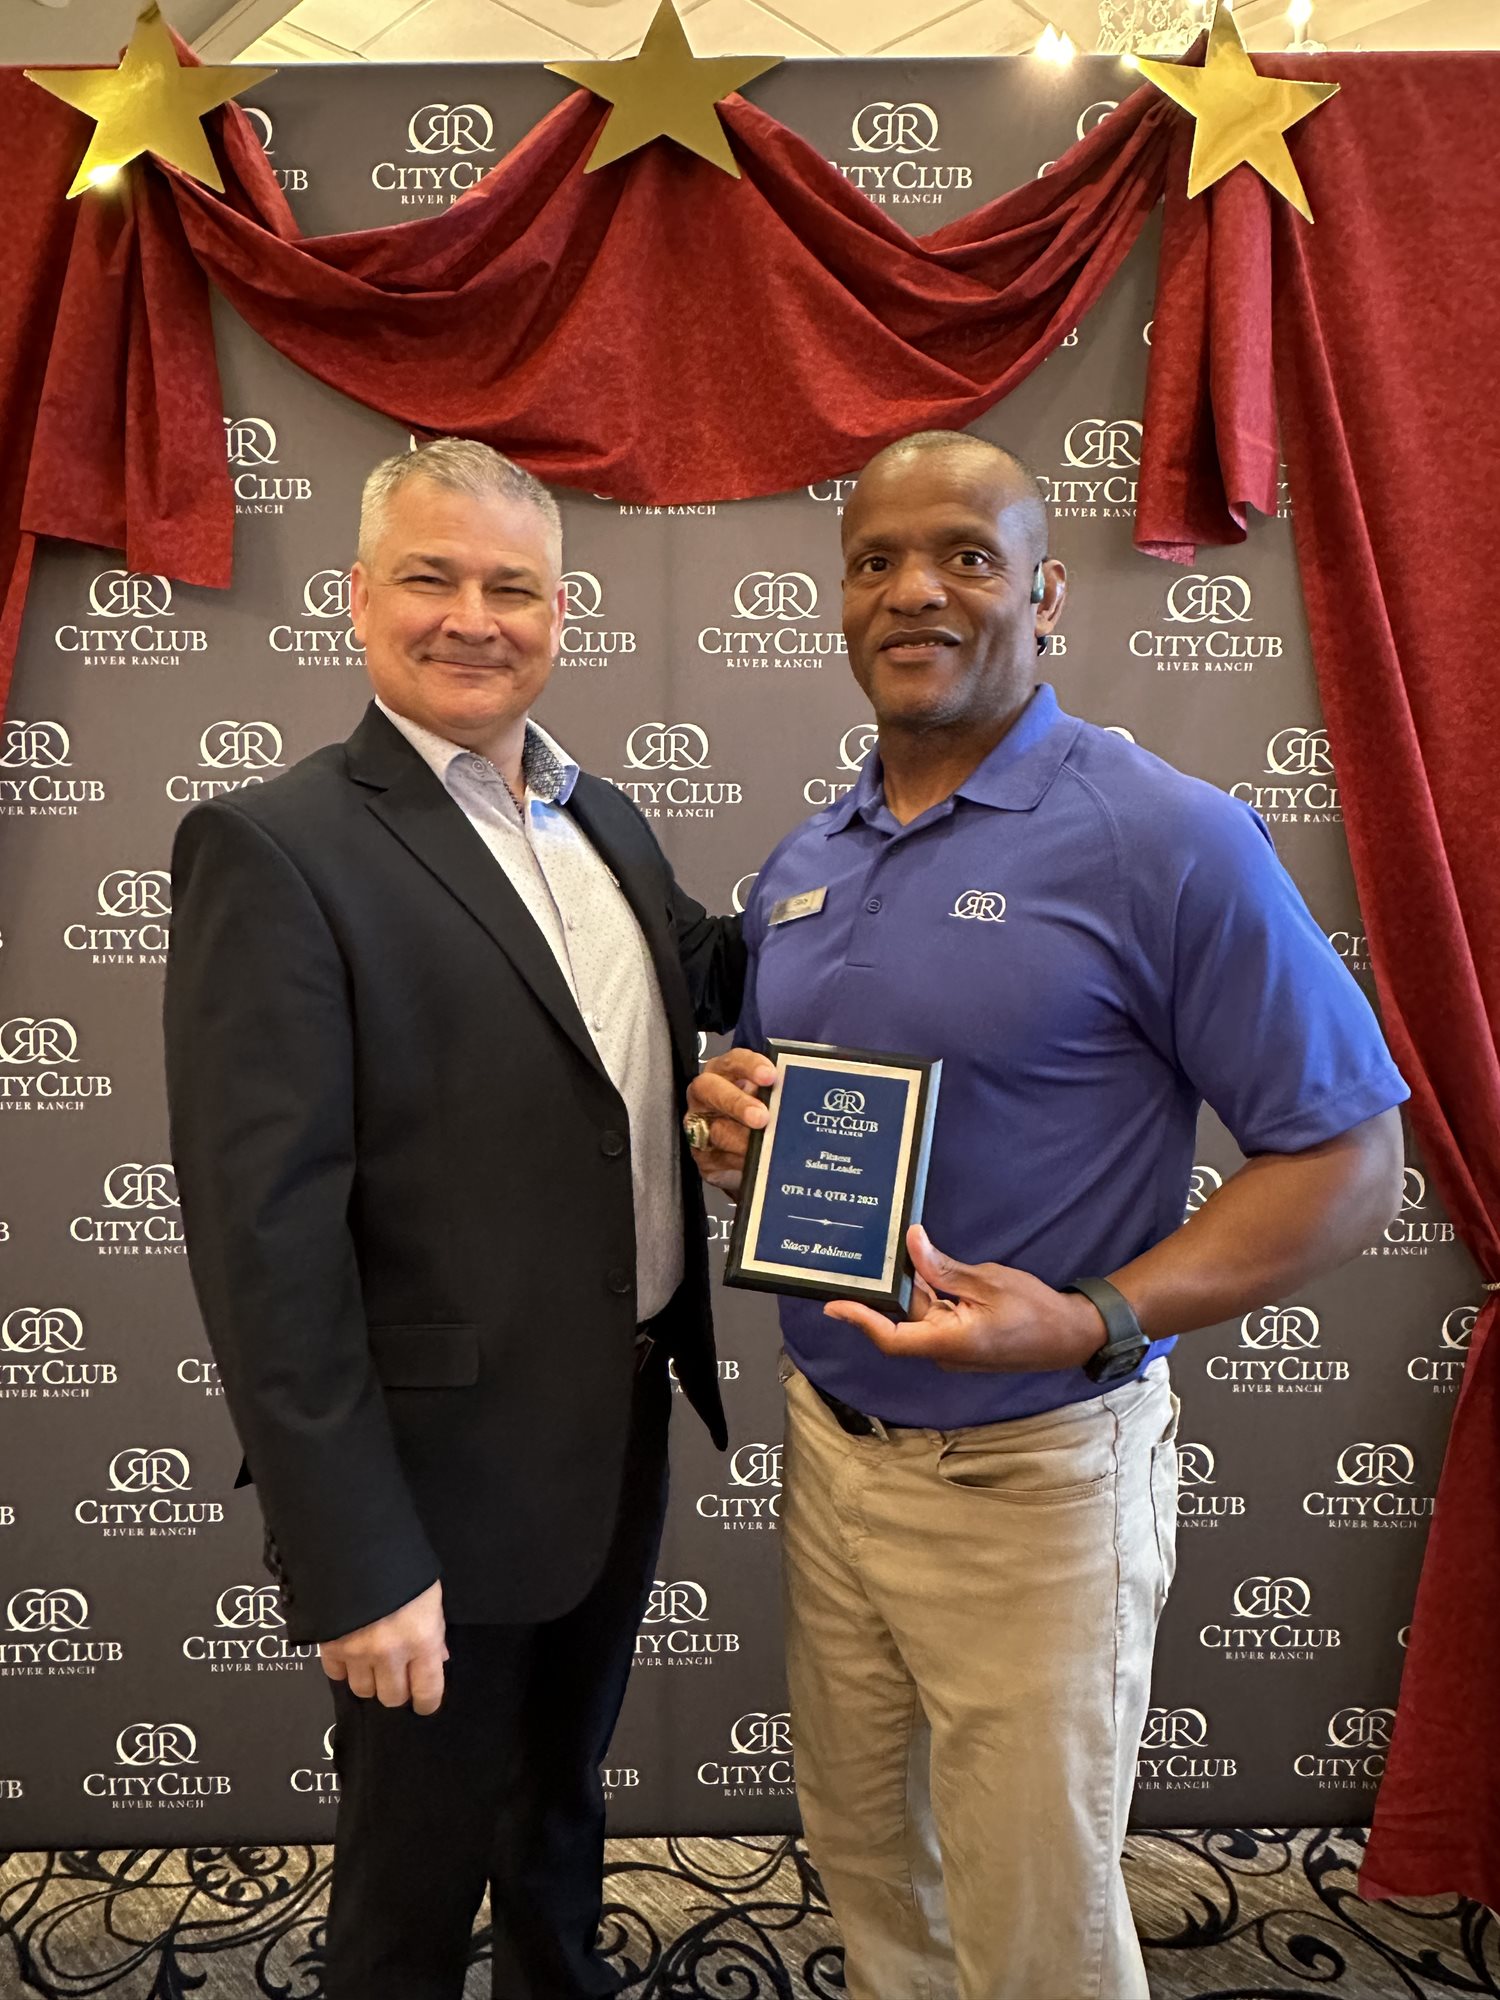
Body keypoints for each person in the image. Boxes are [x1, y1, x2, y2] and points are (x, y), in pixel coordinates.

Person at [684, 431, 1407, 2000]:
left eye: (965, 554)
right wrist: (734, 1124)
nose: (913, 591)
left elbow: (1353, 1161)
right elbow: (793, 1116)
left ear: (1046, 594)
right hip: (833, 1450)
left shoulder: (1166, 835)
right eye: (875, 561)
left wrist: (1095, 1316)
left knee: (1034, 1935)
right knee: (876, 1874)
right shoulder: (808, 857)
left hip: (1036, 1477)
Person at [163, 437, 743, 2000]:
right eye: (432, 578)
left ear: (562, 613)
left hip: (615, 1434)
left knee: (557, 1822)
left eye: (513, 587)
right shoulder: (275, 847)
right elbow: (264, 1246)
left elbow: (715, 976)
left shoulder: (605, 821)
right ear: (359, 598)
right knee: (408, 1889)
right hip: (428, 1485)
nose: (474, 618)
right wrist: (352, 1556)